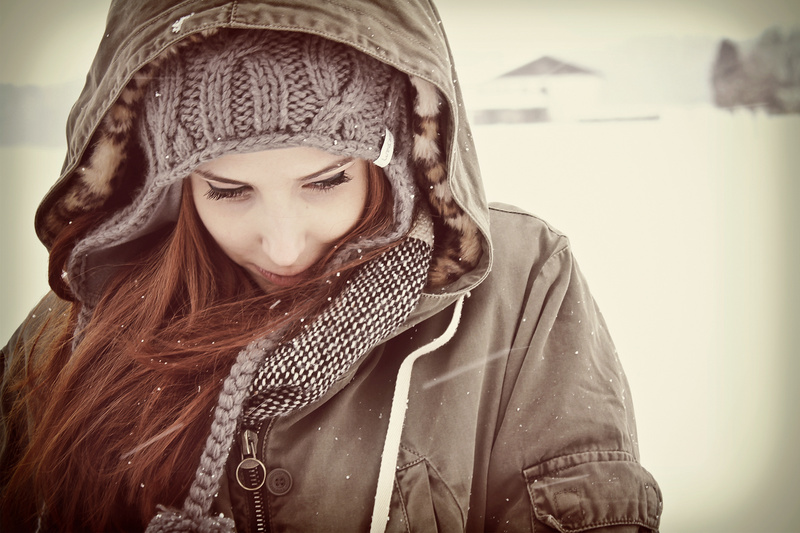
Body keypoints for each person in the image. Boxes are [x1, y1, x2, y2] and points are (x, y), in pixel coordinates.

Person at [0, 1, 662, 531]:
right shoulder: (72, 338)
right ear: (168, 187)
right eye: (228, 192)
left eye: (325, 182)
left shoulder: (520, 290)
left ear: (397, 161)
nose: (284, 246)